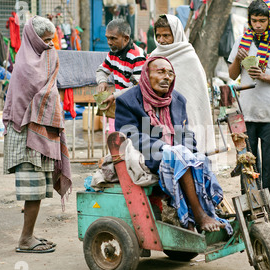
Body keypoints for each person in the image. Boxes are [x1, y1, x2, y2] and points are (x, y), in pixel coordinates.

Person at [115, 56, 232, 234]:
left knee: (198, 158)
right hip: (146, 156)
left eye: (170, 73)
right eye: (160, 72)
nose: (167, 77)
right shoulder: (128, 101)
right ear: (146, 74)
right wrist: (166, 149)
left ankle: (202, 214)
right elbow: (132, 137)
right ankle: (199, 216)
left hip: (176, 156)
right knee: (179, 155)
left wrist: (187, 152)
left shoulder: (177, 100)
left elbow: (184, 133)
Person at [2, 16, 72, 253]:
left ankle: (29, 234)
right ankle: (25, 240)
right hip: (26, 133)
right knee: (32, 190)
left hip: (40, 131)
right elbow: (41, 96)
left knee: (38, 189)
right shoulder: (25, 65)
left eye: (52, 40)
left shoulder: (45, 59)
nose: (50, 45)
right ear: (33, 39)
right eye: (45, 40)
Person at [228, 0, 270, 222]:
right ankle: (251, 206)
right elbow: (231, 74)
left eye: (262, 21)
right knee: (248, 162)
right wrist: (239, 57)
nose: (257, 25)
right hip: (246, 112)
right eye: (254, 20)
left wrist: (263, 76)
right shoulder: (242, 41)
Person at [150, 14, 216, 155]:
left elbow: (197, 96)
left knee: (189, 152)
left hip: (187, 116)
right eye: (158, 35)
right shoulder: (153, 57)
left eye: (166, 35)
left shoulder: (189, 56)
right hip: (161, 115)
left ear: (176, 34)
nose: (162, 40)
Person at [96, 19, 146, 131]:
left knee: (132, 142)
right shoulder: (114, 52)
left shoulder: (137, 56)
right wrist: (102, 81)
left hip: (137, 109)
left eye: (113, 38)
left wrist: (114, 96)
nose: (109, 42)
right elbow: (102, 70)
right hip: (122, 104)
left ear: (126, 38)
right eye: (107, 38)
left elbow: (138, 87)